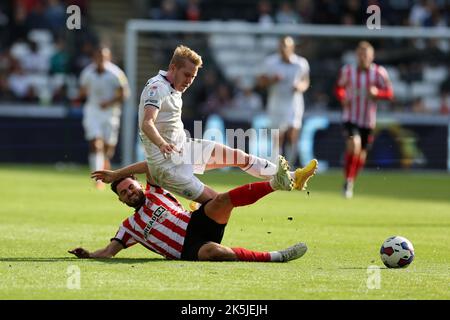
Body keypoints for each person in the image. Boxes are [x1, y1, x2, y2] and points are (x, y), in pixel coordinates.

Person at [138, 44, 317, 206]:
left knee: (240, 157)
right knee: (220, 203)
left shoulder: (173, 86)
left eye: (193, 77)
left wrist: (117, 173)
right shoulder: (157, 88)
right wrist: (162, 143)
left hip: (183, 150)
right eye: (187, 75)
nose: (189, 81)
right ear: (172, 68)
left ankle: (294, 177)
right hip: (168, 167)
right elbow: (147, 123)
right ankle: (199, 215)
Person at [68, 156, 313, 262]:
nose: (130, 192)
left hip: (196, 222)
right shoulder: (129, 227)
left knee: (222, 200)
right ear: (121, 201)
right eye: (124, 193)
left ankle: (276, 182)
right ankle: (277, 257)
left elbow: (151, 164)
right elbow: (109, 251)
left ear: (139, 185)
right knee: (214, 253)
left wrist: (116, 175)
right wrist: (89, 254)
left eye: (131, 187)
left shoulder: (156, 191)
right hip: (189, 249)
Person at [334, 41, 393, 198]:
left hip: (367, 120)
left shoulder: (379, 73)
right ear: (356, 55)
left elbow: (389, 93)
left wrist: (377, 94)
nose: (362, 58)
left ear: (372, 56)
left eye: (365, 55)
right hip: (350, 117)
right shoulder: (347, 71)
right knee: (355, 144)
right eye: (360, 54)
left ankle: (351, 179)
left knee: (361, 155)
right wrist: (342, 97)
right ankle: (348, 181)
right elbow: (339, 87)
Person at [78, 46, 129, 189]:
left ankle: (105, 162)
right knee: (95, 143)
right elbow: (82, 91)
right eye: (98, 56)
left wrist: (109, 102)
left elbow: (124, 94)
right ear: (94, 58)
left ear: (108, 58)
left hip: (111, 113)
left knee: (108, 148)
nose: (100, 59)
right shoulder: (87, 73)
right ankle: (98, 180)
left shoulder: (116, 73)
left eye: (103, 57)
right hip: (93, 111)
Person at [257, 36, 310, 167]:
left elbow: (306, 81)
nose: (282, 49)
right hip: (276, 104)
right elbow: (260, 82)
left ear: (292, 48)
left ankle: (289, 165)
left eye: (285, 46)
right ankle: (278, 167)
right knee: (278, 137)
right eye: (281, 46)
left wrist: (300, 87)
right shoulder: (270, 62)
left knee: (292, 135)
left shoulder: (301, 63)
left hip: (294, 104)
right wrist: (271, 80)